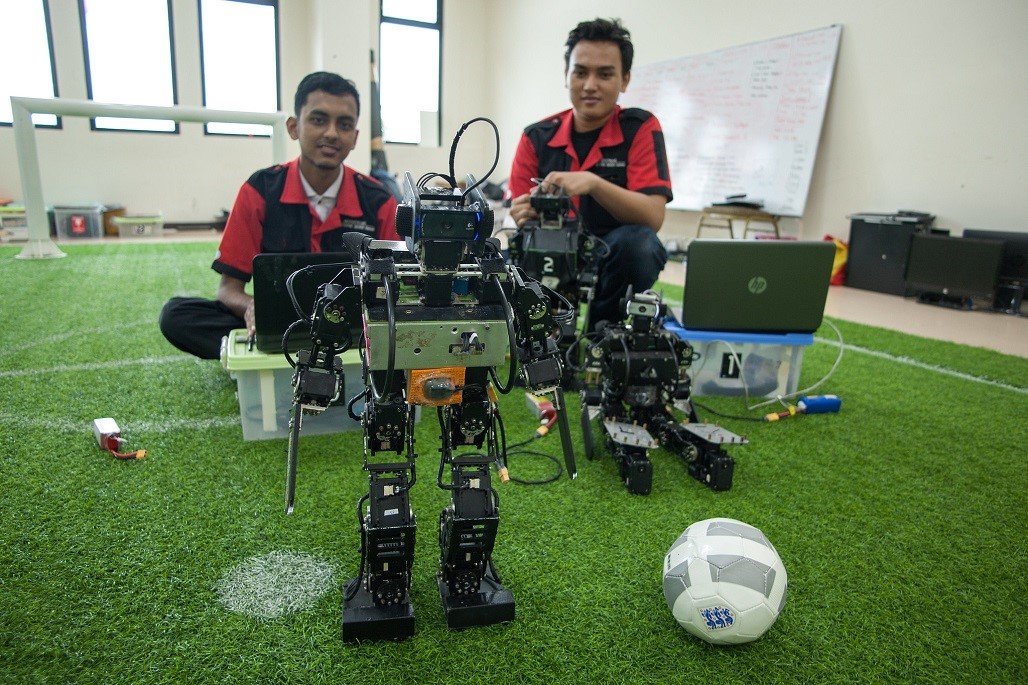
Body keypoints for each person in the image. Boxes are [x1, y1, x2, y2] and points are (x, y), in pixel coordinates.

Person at [159, 72, 401, 359]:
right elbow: (228, 290)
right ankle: (283, 347)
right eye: (318, 119)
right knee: (176, 315)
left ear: (355, 138)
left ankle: (285, 355)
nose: (332, 133)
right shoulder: (259, 190)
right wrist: (251, 309)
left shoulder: (379, 200)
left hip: (352, 325)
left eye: (344, 124)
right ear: (293, 127)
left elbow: (397, 291)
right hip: (277, 323)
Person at [507, 18, 672, 330]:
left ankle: (604, 336)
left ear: (624, 80)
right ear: (566, 75)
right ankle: (537, 334)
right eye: (580, 72)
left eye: (605, 74)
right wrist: (522, 212)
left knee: (641, 245)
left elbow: (653, 216)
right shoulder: (536, 136)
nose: (590, 85)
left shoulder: (639, 128)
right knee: (510, 250)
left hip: (614, 253)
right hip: (552, 246)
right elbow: (519, 215)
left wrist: (594, 184)